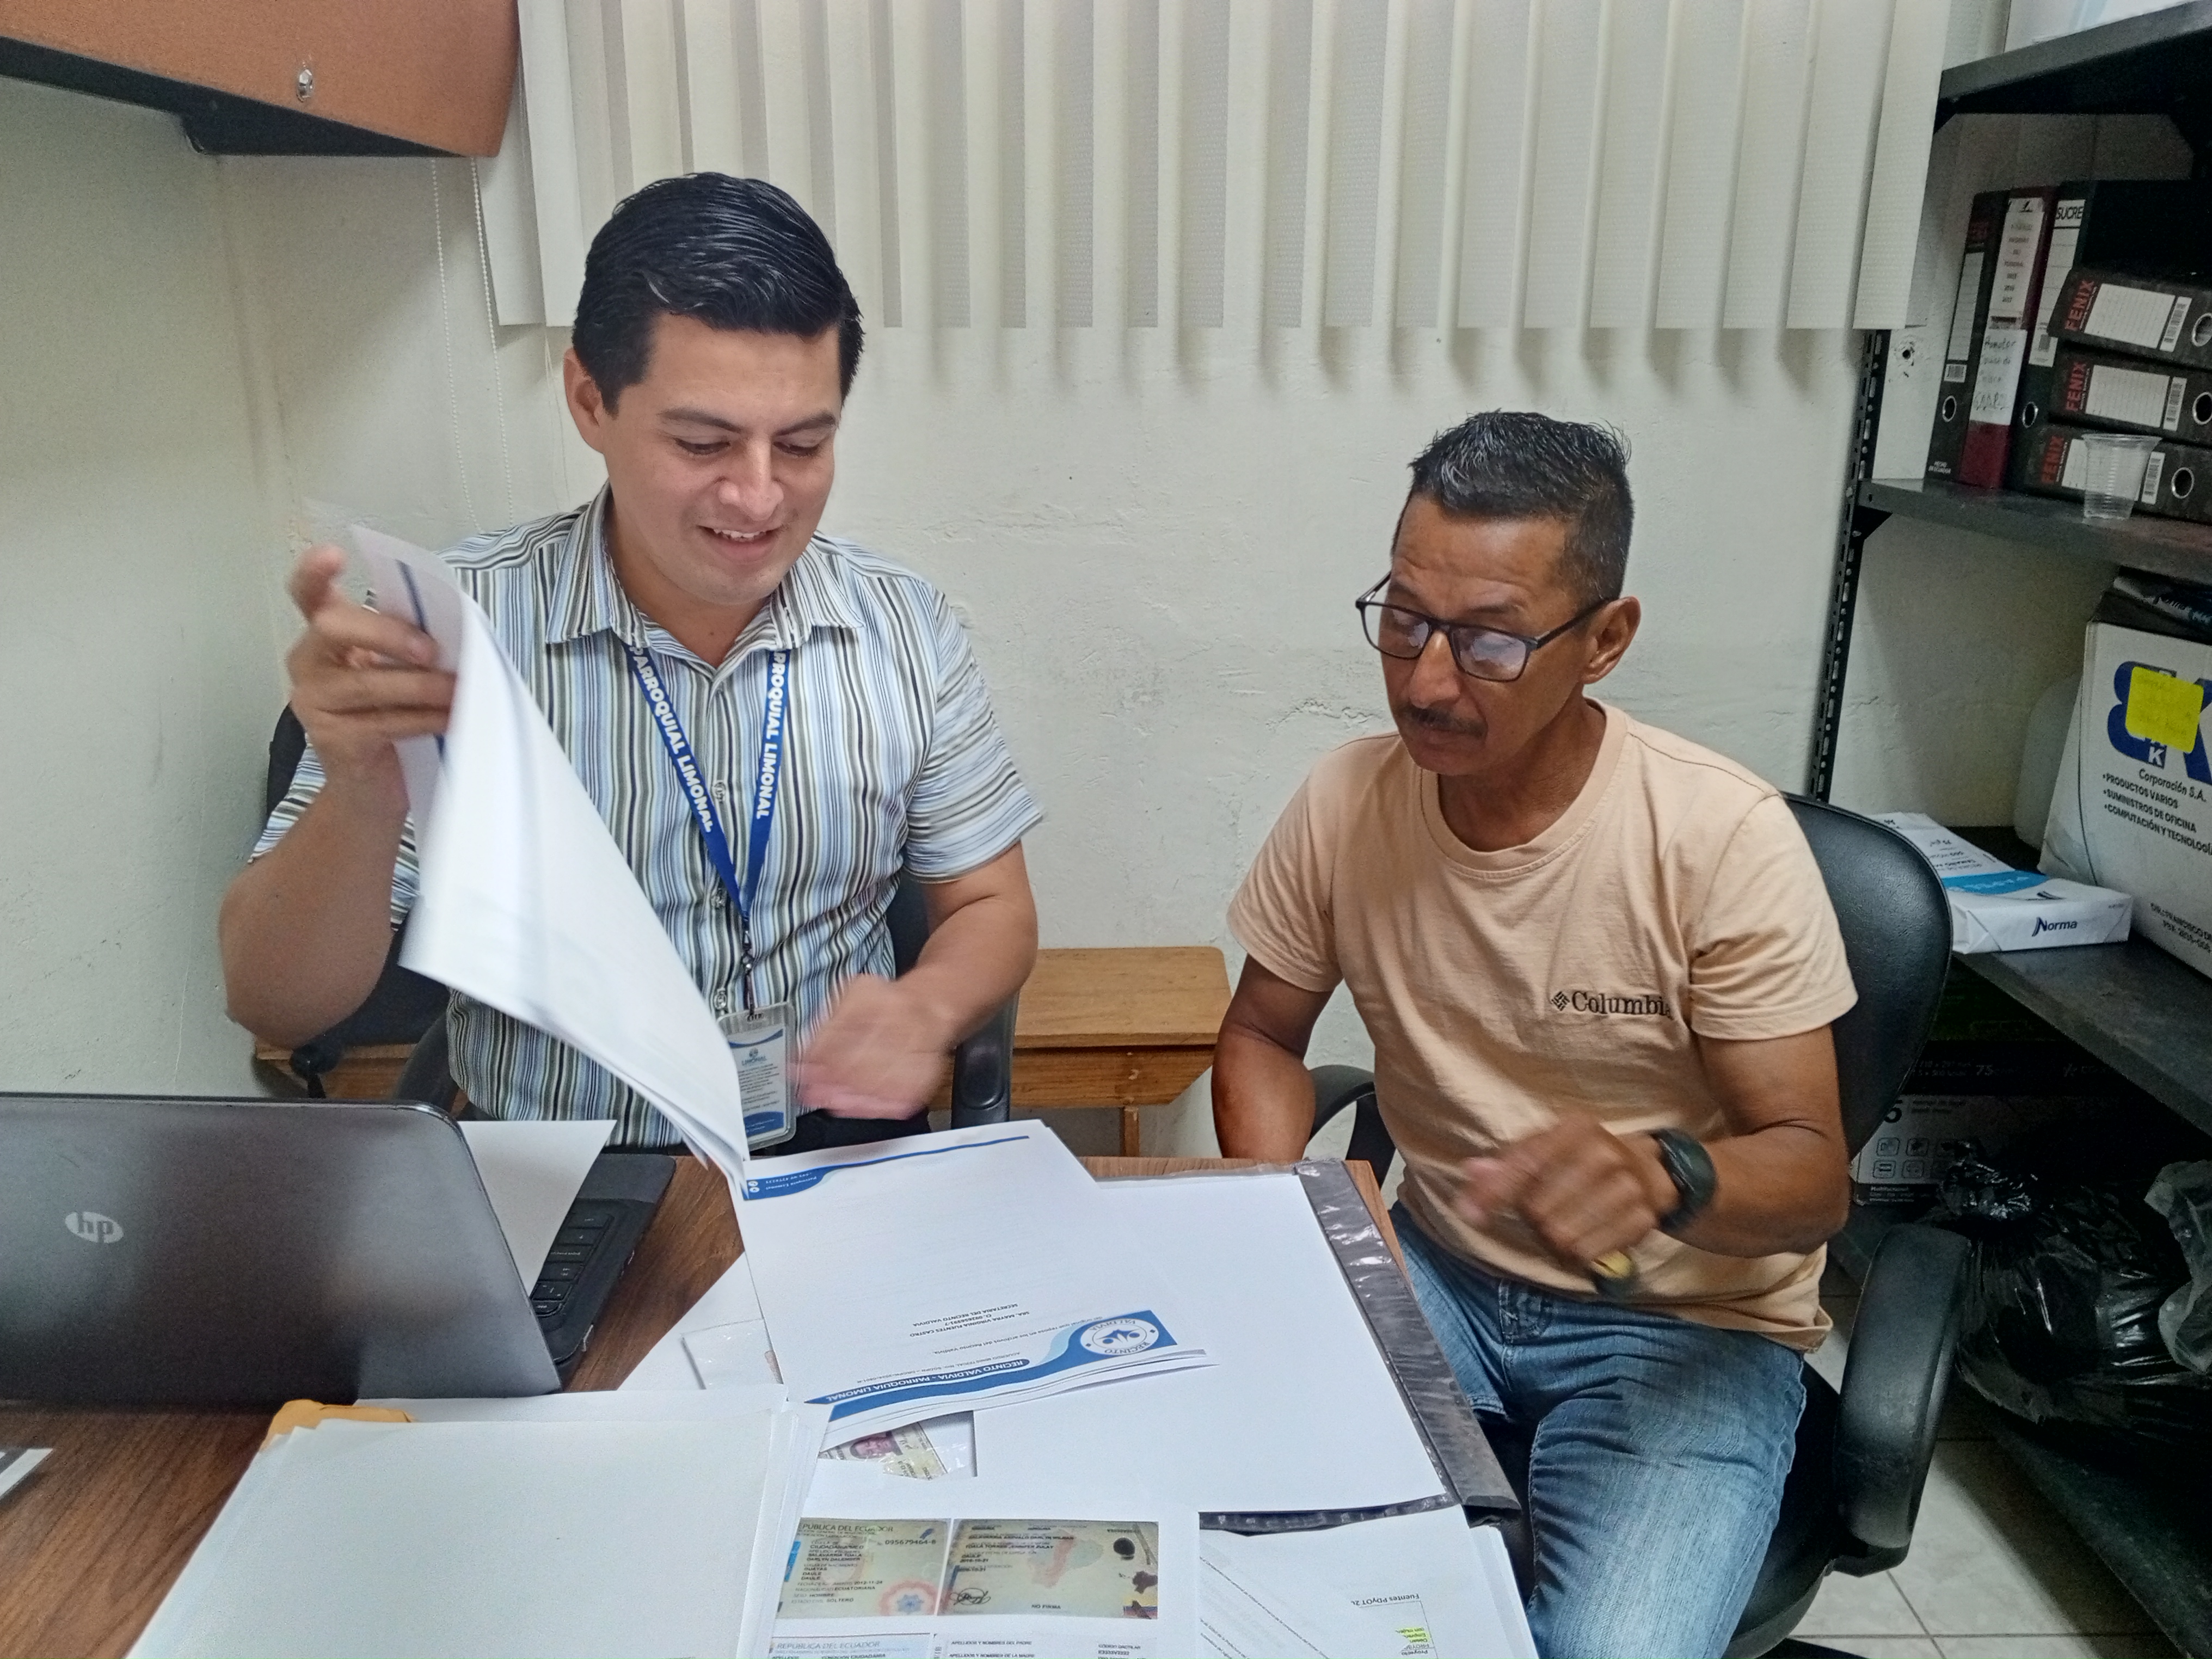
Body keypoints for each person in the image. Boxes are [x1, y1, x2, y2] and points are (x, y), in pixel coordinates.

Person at [221, 174, 1040, 1154]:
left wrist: (927, 1007)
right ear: (590, 401)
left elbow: (990, 904)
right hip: (561, 1156)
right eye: (702, 443)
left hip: (835, 1145)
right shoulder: (454, 631)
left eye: (803, 444)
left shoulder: (901, 626)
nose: (757, 496)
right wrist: (361, 794)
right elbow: (273, 1001)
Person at [1212, 411, 1856, 1659]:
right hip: (1436, 1278)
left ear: (1604, 639)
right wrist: (1286, 1199)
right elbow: (1261, 1038)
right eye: (1403, 620)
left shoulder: (1716, 840)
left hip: (1685, 1327)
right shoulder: (1346, 802)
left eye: (1490, 641)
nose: (1425, 681)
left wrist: (1668, 1175)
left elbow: (1813, 1174)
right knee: (1240, 1571)